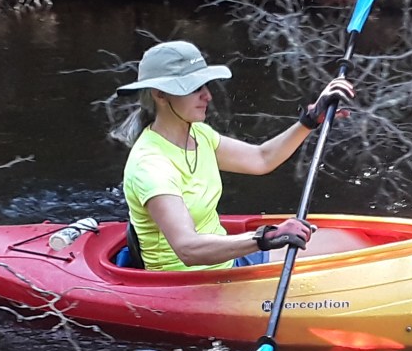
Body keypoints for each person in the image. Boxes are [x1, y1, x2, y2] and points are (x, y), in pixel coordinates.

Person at [116, 39, 359, 271]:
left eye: (205, 85)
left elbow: (262, 159)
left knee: (348, 243)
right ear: (160, 94)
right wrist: (265, 238)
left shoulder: (200, 135)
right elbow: (187, 249)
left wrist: (308, 121)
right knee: (347, 257)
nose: (207, 96)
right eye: (194, 88)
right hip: (189, 281)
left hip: (225, 262)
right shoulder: (151, 165)